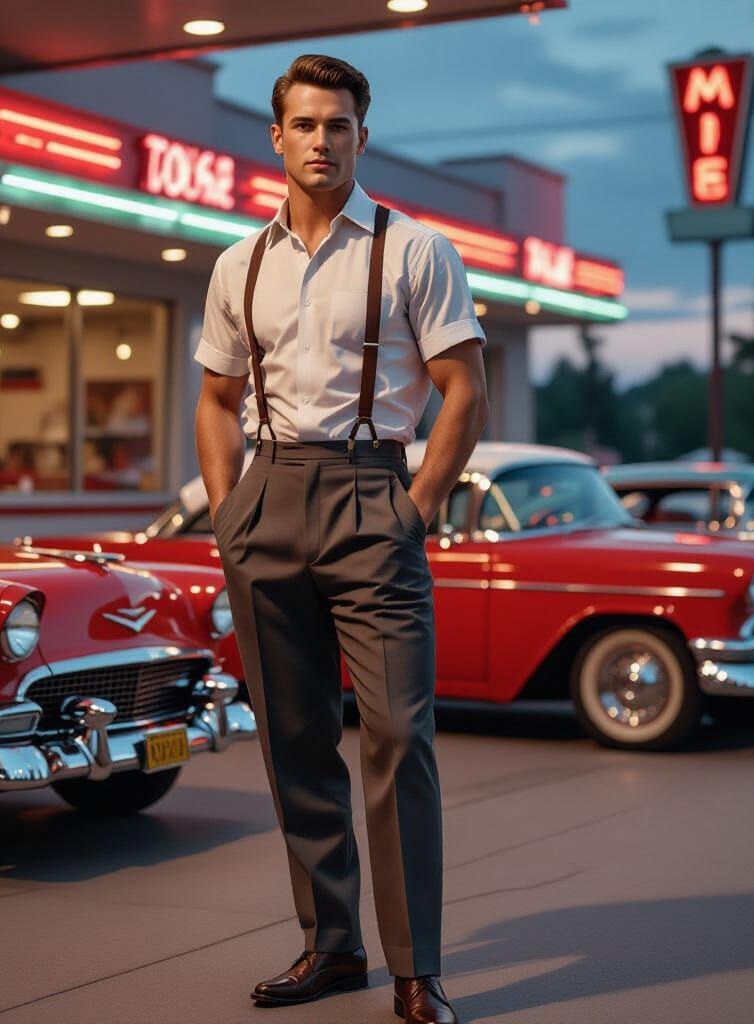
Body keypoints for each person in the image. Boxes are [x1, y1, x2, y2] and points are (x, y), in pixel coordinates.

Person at [193, 54, 489, 1024]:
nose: (322, 140)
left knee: (398, 733)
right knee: (294, 738)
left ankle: (416, 967)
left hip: (374, 495)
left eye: (340, 125)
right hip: (267, 498)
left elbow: (464, 390)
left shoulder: (413, 249)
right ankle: (331, 944)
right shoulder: (239, 264)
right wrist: (227, 506)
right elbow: (215, 398)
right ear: (274, 137)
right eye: (306, 124)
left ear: (363, 135)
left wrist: (418, 504)